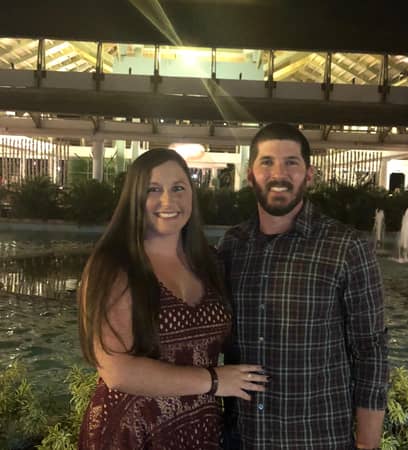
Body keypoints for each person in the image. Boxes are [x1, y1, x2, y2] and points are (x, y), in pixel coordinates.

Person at [78, 148, 268, 450]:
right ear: (135, 198)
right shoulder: (115, 266)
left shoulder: (209, 262)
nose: (168, 200)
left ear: (191, 193)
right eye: (153, 189)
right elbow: (116, 371)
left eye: (178, 188)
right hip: (134, 432)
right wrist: (214, 381)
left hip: (198, 428)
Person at [218, 123, 389, 450]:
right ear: (250, 175)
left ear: (309, 175)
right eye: (267, 162)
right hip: (242, 436)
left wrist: (368, 443)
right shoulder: (232, 245)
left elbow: (371, 350)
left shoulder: (347, 247)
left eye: (291, 163)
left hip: (315, 438)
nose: (278, 174)